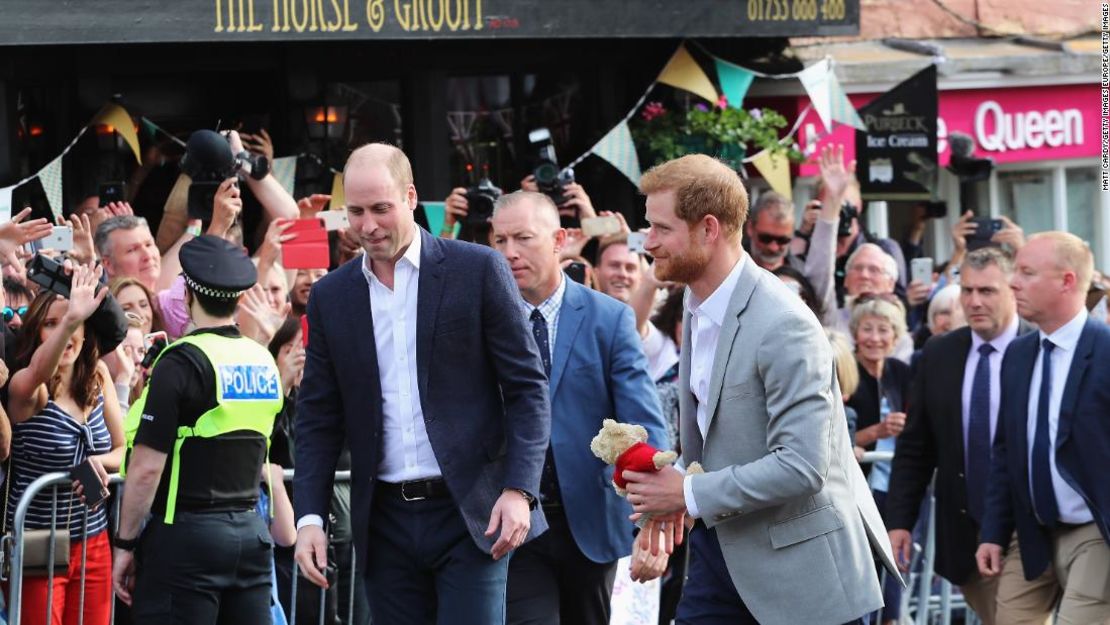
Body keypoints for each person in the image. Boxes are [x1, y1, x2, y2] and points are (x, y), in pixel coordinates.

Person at [622, 154, 897, 625]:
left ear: (708, 229)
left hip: (802, 576)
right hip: (720, 558)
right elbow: (713, 443)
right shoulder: (694, 299)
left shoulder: (783, 323)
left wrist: (687, 495)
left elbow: (803, 465)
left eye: (661, 229)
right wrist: (670, 507)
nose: (648, 243)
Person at [293, 143, 551, 625]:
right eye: (356, 212)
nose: (368, 226)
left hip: (472, 513)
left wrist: (520, 490)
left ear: (411, 197)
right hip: (383, 521)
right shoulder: (331, 295)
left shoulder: (477, 269)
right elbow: (318, 418)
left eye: (381, 209)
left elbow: (526, 388)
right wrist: (309, 516)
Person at [490, 191, 668, 625]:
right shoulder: (483, 317)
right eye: (499, 241)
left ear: (559, 239)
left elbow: (642, 422)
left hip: (588, 521)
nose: (510, 253)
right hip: (511, 520)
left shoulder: (608, 318)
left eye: (523, 239)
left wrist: (655, 518)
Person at [110, 235, 284, 624]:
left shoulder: (181, 360)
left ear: (187, 293)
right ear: (238, 298)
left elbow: (147, 468)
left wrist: (125, 544)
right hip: (251, 535)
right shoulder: (263, 359)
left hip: (187, 537)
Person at [886, 247, 1038, 624]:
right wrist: (900, 521)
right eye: (966, 290)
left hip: (1032, 527)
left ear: (1013, 290)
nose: (973, 302)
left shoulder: (1040, 348)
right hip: (966, 531)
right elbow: (916, 448)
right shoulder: (939, 353)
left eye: (986, 291)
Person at [977, 232, 1110, 624]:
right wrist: (993, 532)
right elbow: (1006, 451)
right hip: (1032, 532)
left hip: (1097, 530)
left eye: (1027, 272)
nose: (1012, 282)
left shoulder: (1106, 352)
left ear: (1067, 281)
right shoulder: (1019, 354)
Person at [6, 266, 126, 625]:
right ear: (37, 332)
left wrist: (98, 464)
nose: (67, 332)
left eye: (73, 322)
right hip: (39, 538)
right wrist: (72, 316)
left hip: (93, 536)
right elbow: (39, 373)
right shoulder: (30, 388)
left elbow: (123, 451)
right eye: (52, 323)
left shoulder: (97, 375)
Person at [744, 191, 803, 273]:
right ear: (750, 228)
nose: (773, 248)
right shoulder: (729, 268)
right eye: (766, 238)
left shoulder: (802, 273)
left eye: (783, 240)